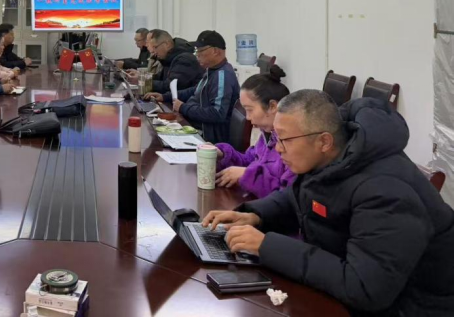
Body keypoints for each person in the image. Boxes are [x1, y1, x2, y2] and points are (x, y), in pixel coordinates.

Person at [203, 91, 454, 316]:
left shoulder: (385, 192)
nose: (277, 149)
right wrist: (256, 215)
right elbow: (298, 196)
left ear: (324, 141)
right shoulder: (335, 157)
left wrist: (267, 246)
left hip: (410, 306)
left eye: (285, 140)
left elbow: (365, 288)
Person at [214, 66, 295, 198]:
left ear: (272, 106)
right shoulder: (267, 135)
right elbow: (249, 161)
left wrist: (247, 175)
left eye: (249, 110)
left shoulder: (293, 144)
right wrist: (222, 154)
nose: (247, 117)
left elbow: (286, 195)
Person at [172, 30, 239, 144]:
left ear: (215, 51)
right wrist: (165, 96)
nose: (197, 54)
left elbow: (217, 114)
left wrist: (183, 108)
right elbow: (196, 90)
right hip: (196, 127)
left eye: (200, 50)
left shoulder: (222, 75)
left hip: (208, 138)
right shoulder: (212, 70)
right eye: (196, 50)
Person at [140, 30, 204, 104]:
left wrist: (145, 82)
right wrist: (142, 77)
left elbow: (171, 86)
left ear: (167, 44)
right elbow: (160, 77)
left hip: (186, 104)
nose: (153, 52)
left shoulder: (184, 59)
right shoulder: (169, 57)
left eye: (155, 47)